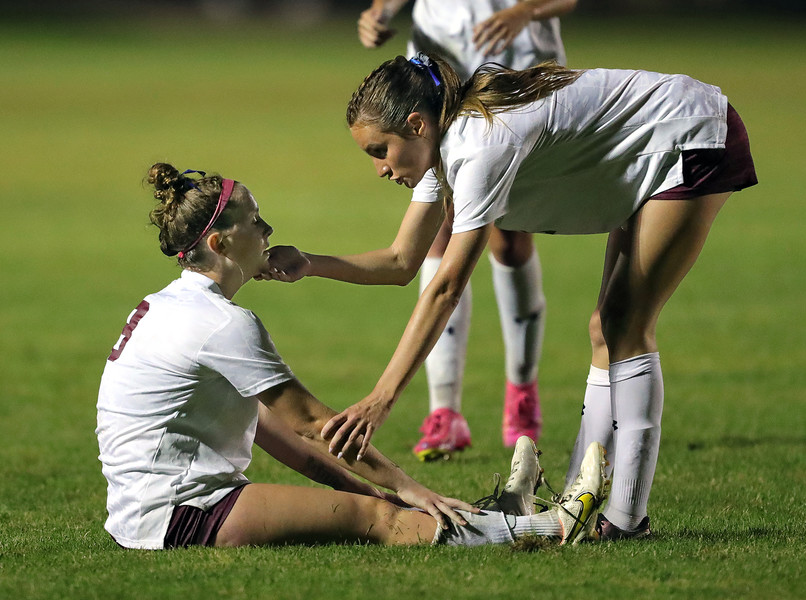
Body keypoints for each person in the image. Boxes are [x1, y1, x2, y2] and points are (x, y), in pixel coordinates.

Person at [262, 53, 757, 540]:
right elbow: (401, 263)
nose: (379, 170)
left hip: (691, 138)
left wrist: (381, 398)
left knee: (627, 326)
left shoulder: (479, 144)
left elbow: (447, 287)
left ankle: (627, 521)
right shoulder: (441, 145)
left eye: (378, 151)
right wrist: (310, 263)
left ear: (416, 125)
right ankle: (577, 504)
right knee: (607, 327)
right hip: (655, 144)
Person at [95, 163, 609, 550]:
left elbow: (270, 427)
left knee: (372, 506)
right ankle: (557, 526)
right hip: (181, 513)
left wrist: (364, 488)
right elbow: (314, 425)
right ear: (220, 241)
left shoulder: (171, 305)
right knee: (382, 524)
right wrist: (406, 489)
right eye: (255, 221)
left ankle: (506, 517)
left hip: (144, 508)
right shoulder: (222, 323)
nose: (268, 229)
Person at [357, 0, 579, 459]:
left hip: (514, 67)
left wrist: (525, 12)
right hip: (437, 70)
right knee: (439, 228)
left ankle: (521, 387)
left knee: (511, 236)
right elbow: (402, 259)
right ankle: (444, 412)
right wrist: (380, 10)